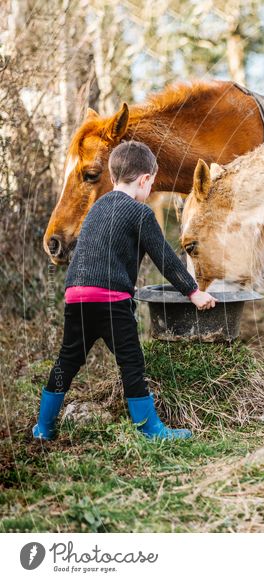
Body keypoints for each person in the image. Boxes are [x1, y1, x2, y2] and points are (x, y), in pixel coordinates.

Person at [32, 141, 216, 441]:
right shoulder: (140, 214)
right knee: (131, 361)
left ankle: (44, 426)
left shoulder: (97, 208)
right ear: (145, 180)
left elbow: (87, 250)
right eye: (152, 183)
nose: (150, 189)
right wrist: (193, 292)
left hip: (76, 295)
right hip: (110, 300)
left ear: (114, 177)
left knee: (68, 359)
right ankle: (150, 428)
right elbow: (166, 259)